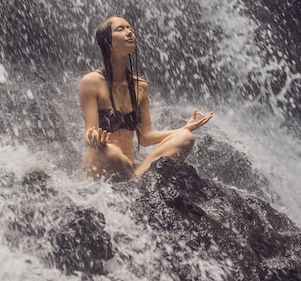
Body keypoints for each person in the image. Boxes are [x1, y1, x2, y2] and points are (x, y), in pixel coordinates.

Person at [79, 15, 213, 181]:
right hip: (102, 166)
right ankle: (135, 180)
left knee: (185, 137)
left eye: (130, 28)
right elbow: (90, 131)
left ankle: (136, 180)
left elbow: (145, 137)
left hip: (131, 170)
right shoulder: (91, 82)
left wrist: (186, 128)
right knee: (110, 151)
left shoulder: (140, 86)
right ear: (108, 42)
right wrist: (93, 138)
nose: (129, 32)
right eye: (120, 29)